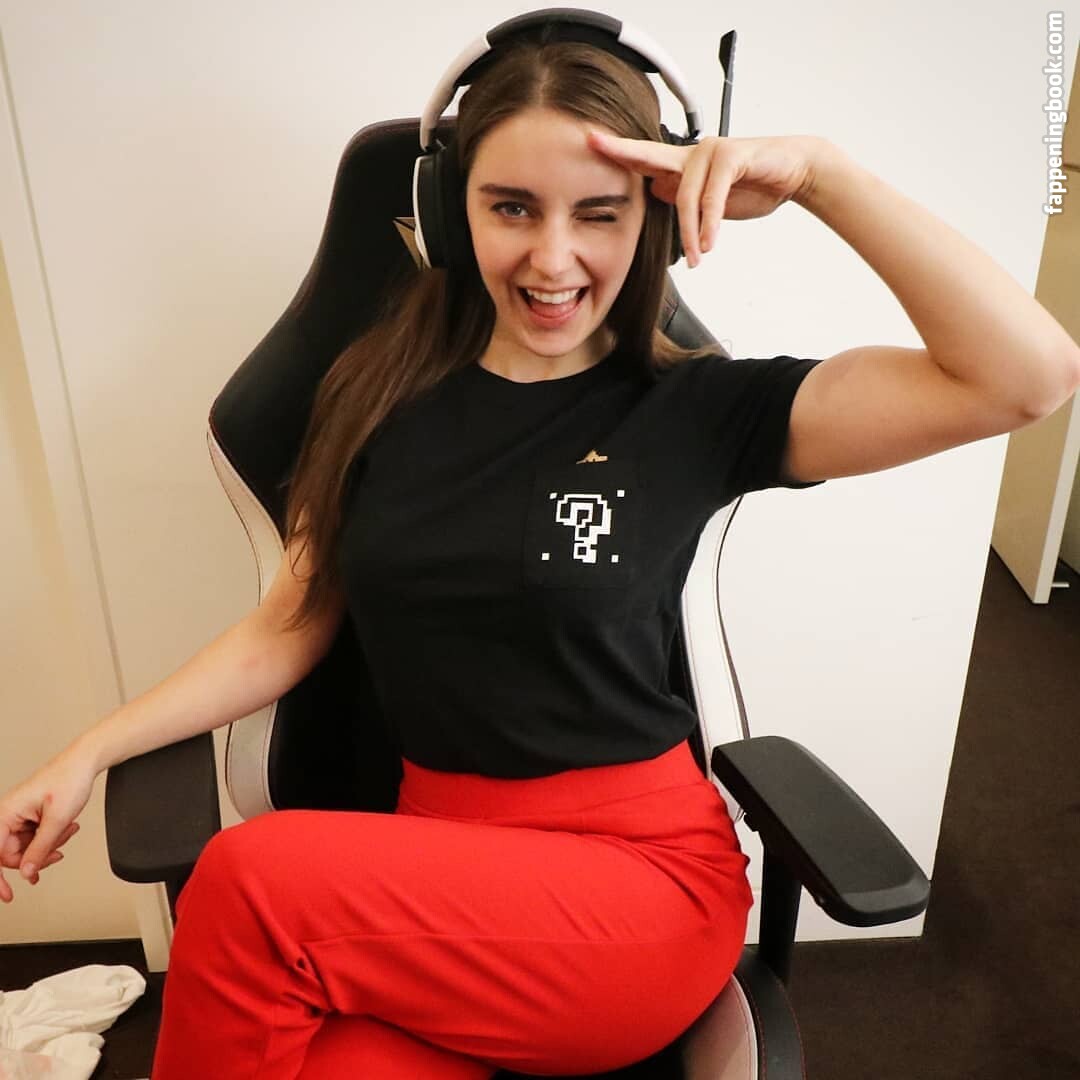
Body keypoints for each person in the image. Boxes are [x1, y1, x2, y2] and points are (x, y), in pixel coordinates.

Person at [2, 18, 1078, 1080]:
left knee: (247, 883)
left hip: (636, 884)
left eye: (599, 213)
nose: (553, 257)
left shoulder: (702, 408)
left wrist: (822, 178)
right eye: (511, 206)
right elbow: (288, 626)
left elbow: (1026, 377)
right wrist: (89, 749)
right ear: (448, 208)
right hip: (440, 875)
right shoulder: (372, 397)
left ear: (655, 219)